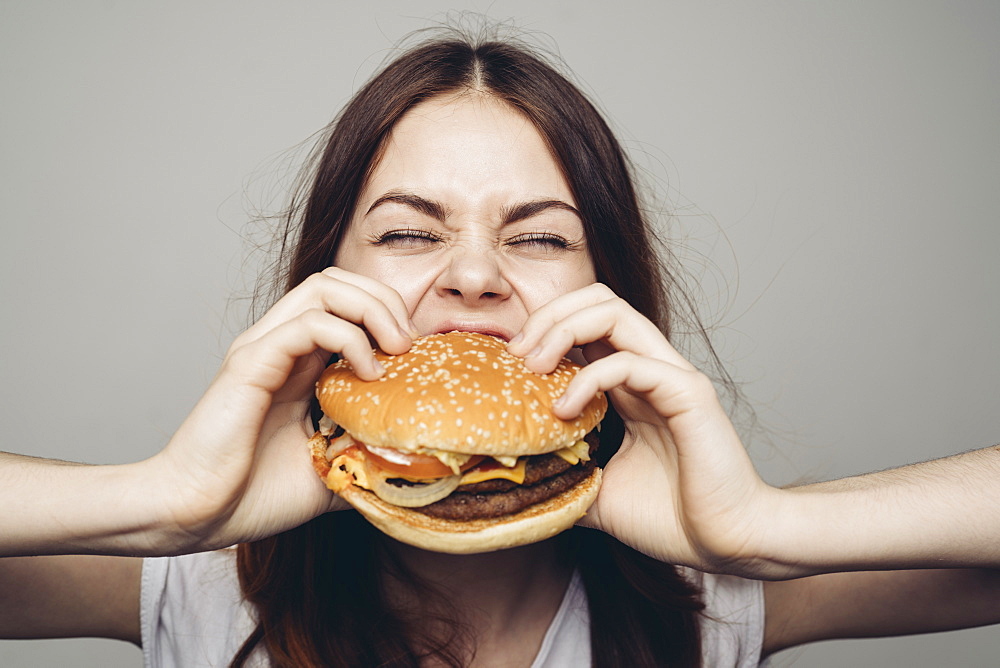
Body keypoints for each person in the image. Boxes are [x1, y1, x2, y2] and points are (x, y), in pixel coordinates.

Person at [2, 30, 999, 667]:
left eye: (537, 235)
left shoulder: (716, 602)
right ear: (318, 284)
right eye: (406, 231)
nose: (473, 274)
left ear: (612, 299)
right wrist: (160, 501)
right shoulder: (195, 580)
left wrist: (762, 528)